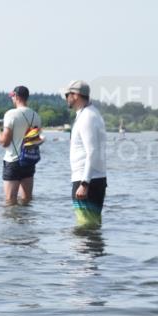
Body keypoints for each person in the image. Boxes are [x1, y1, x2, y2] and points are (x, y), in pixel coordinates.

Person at [64, 79, 107, 227]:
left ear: (75, 95)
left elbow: (92, 151)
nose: (66, 98)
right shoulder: (88, 114)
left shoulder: (87, 117)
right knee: (91, 227)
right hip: (92, 178)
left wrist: (84, 183)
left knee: (85, 230)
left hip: (87, 179)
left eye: (67, 95)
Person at [0, 85, 42, 204]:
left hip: (13, 162)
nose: (12, 98)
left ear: (16, 96)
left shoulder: (11, 114)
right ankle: (25, 222)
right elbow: (35, 141)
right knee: (27, 201)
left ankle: (11, 223)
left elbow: (4, 142)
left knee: (10, 203)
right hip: (29, 161)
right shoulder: (36, 116)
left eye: (12, 96)